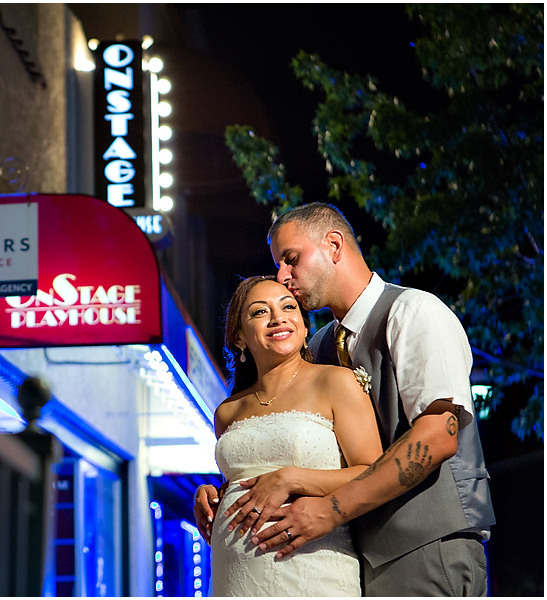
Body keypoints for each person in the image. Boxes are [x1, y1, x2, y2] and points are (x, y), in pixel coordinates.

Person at [196, 202, 495, 596]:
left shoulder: (413, 311)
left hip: (426, 544)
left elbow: (438, 436)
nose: (283, 277)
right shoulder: (319, 345)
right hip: (355, 553)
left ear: (334, 245)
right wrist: (225, 490)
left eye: (291, 259)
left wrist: (328, 508)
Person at [206, 275, 383, 596]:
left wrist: (292, 478)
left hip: (311, 566)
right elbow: (246, 485)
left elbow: (373, 472)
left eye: (288, 307)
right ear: (239, 338)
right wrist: (211, 496)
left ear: (304, 327)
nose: (278, 318)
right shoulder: (227, 411)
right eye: (260, 312)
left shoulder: (336, 382)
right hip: (235, 576)